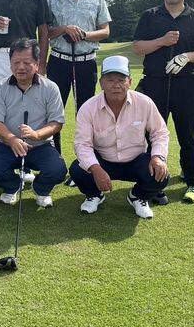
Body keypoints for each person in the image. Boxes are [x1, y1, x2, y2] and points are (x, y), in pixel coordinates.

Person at [133, 0, 194, 204]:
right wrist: (162, 41)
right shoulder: (150, 16)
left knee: (188, 134)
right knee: (151, 135)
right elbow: (138, 47)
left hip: (186, 84)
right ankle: (153, 184)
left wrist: (187, 56)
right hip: (155, 83)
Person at [68, 56, 170, 219]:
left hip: (136, 161)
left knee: (161, 173)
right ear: (101, 83)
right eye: (110, 80)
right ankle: (94, 194)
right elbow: (82, 144)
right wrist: (95, 169)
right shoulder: (88, 108)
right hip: (103, 161)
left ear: (130, 82)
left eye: (121, 80)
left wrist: (158, 157)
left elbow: (160, 132)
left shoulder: (145, 103)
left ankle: (138, 196)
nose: (116, 85)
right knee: (77, 170)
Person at [0, 38, 67, 208]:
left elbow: (56, 123)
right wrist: (12, 139)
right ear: (10, 64)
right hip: (8, 145)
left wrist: (37, 134)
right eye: (16, 62)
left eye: (27, 62)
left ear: (37, 64)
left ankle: (41, 189)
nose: (21, 67)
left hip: (41, 146)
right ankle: (12, 186)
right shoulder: (0, 87)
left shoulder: (50, 88)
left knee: (57, 170)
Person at [46, 0, 111, 156]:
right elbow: (46, 32)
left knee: (85, 112)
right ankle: (54, 158)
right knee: (53, 112)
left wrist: (84, 35)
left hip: (86, 62)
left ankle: (85, 159)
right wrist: (64, 29)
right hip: (59, 61)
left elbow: (105, 31)